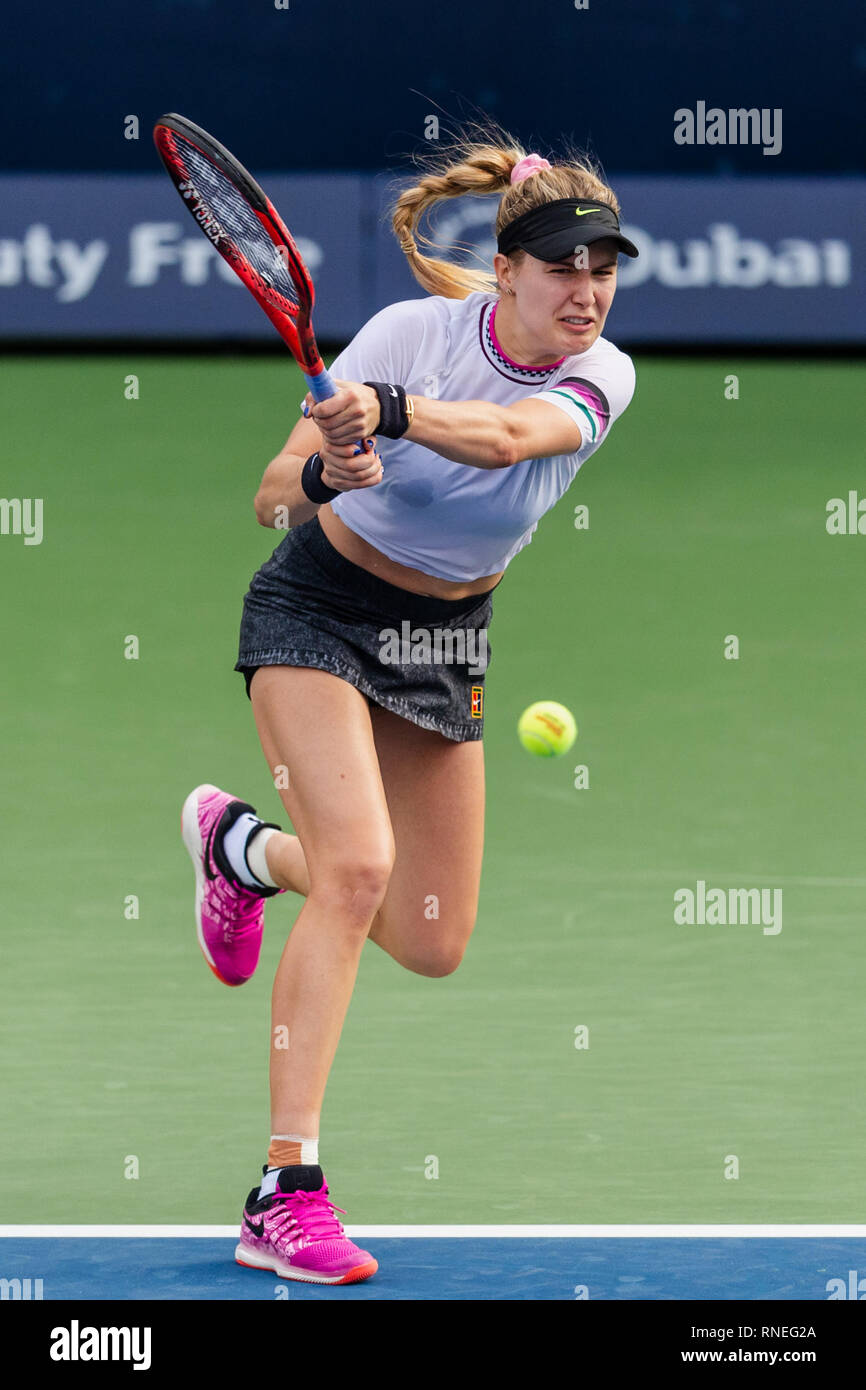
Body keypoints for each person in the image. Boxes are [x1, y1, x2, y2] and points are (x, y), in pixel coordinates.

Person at [181, 123, 638, 1286]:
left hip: (444, 638)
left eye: (603, 267)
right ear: (507, 271)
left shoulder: (602, 374)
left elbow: (499, 438)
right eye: (562, 267)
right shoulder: (409, 333)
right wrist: (330, 467)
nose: (586, 290)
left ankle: (239, 845)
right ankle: (282, 1191)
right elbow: (269, 498)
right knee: (358, 872)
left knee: (429, 940)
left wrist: (383, 413)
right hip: (316, 608)